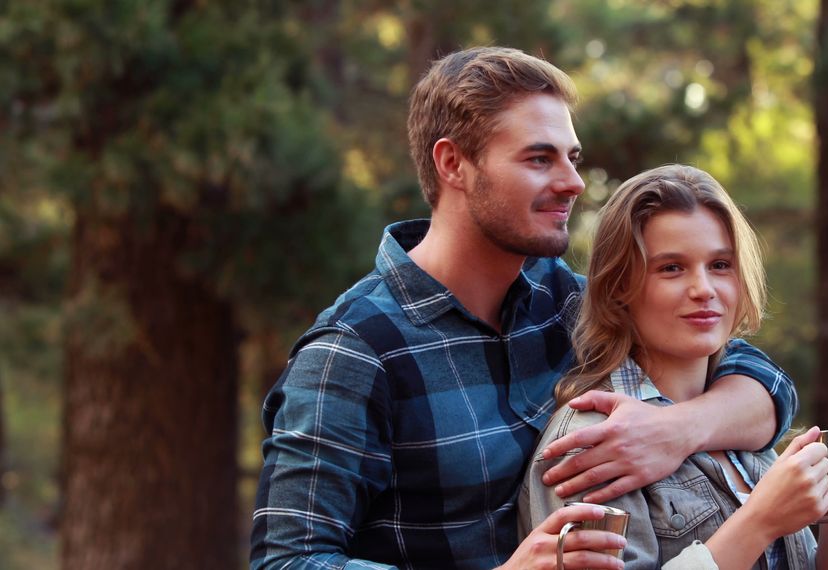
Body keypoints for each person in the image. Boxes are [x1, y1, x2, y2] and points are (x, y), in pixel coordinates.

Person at [251, 47, 798, 569]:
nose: (574, 183)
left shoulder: (566, 302)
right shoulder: (355, 353)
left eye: (572, 158)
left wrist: (680, 429)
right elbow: (287, 559)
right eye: (540, 159)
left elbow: (759, 378)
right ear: (453, 164)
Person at [519, 164, 828, 569]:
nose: (704, 290)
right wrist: (760, 521)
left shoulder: (742, 426)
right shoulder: (594, 441)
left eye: (720, 265)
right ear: (620, 287)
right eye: (671, 268)